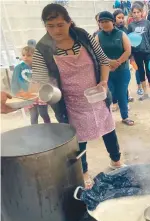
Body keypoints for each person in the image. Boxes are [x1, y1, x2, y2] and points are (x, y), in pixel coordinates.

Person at [32, 3, 125, 188]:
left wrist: (104, 82)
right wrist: (39, 91)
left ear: (69, 22)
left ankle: (116, 161)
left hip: (96, 95)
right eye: (50, 26)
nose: (56, 30)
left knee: (108, 130)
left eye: (60, 24)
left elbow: (103, 61)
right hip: (70, 104)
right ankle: (83, 173)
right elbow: (40, 80)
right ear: (45, 26)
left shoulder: (83, 36)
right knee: (77, 142)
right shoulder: (43, 48)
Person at [96, 11, 134, 126]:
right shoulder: (98, 36)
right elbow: (96, 53)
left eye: (106, 21)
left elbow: (128, 51)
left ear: (112, 21)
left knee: (122, 93)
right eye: (101, 22)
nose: (104, 24)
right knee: (108, 94)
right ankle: (107, 119)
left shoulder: (121, 34)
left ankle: (125, 116)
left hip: (122, 70)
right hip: (106, 72)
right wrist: (109, 63)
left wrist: (117, 62)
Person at [11, 46, 51, 125]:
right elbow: (14, 82)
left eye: (29, 55)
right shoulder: (18, 68)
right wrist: (16, 93)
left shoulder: (41, 66)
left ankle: (49, 128)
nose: (25, 57)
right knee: (33, 115)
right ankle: (34, 132)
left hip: (40, 94)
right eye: (23, 55)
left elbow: (47, 78)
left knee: (43, 113)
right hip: (28, 95)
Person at [128, 4, 150, 101]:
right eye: (134, 12)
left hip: (148, 52)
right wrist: (131, 55)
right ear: (132, 13)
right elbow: (129, 42)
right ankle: (145, 93)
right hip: (137, 53)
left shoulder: (147, 23)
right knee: (140, 72)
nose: (136, 14)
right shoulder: (131, 25)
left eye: (138, 12)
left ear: (141, 13)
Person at [113, 8, 135, 103]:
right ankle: (115, 101)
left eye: (122, 17)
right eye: (119, 17)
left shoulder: (125, 30)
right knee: (114, 81)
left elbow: (130, 45)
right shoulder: (111, 31)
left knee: (123, 81)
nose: (121, 19)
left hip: (124, 59)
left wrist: (131, 57)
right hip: (113, 59)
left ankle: (125, 99)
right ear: (114, 19)